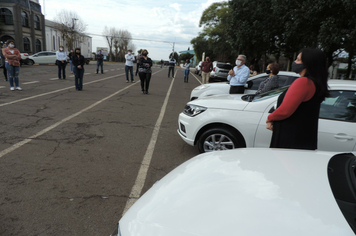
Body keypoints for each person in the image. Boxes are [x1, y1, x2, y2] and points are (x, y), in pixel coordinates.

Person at [266, 48, 329, 150]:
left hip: (290, 137)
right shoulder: (316, 83)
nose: (295, 62)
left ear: (308, 63)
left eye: (298, 60)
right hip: (303, 136)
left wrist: (270, 118)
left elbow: (285, 111)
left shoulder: (303, 82)